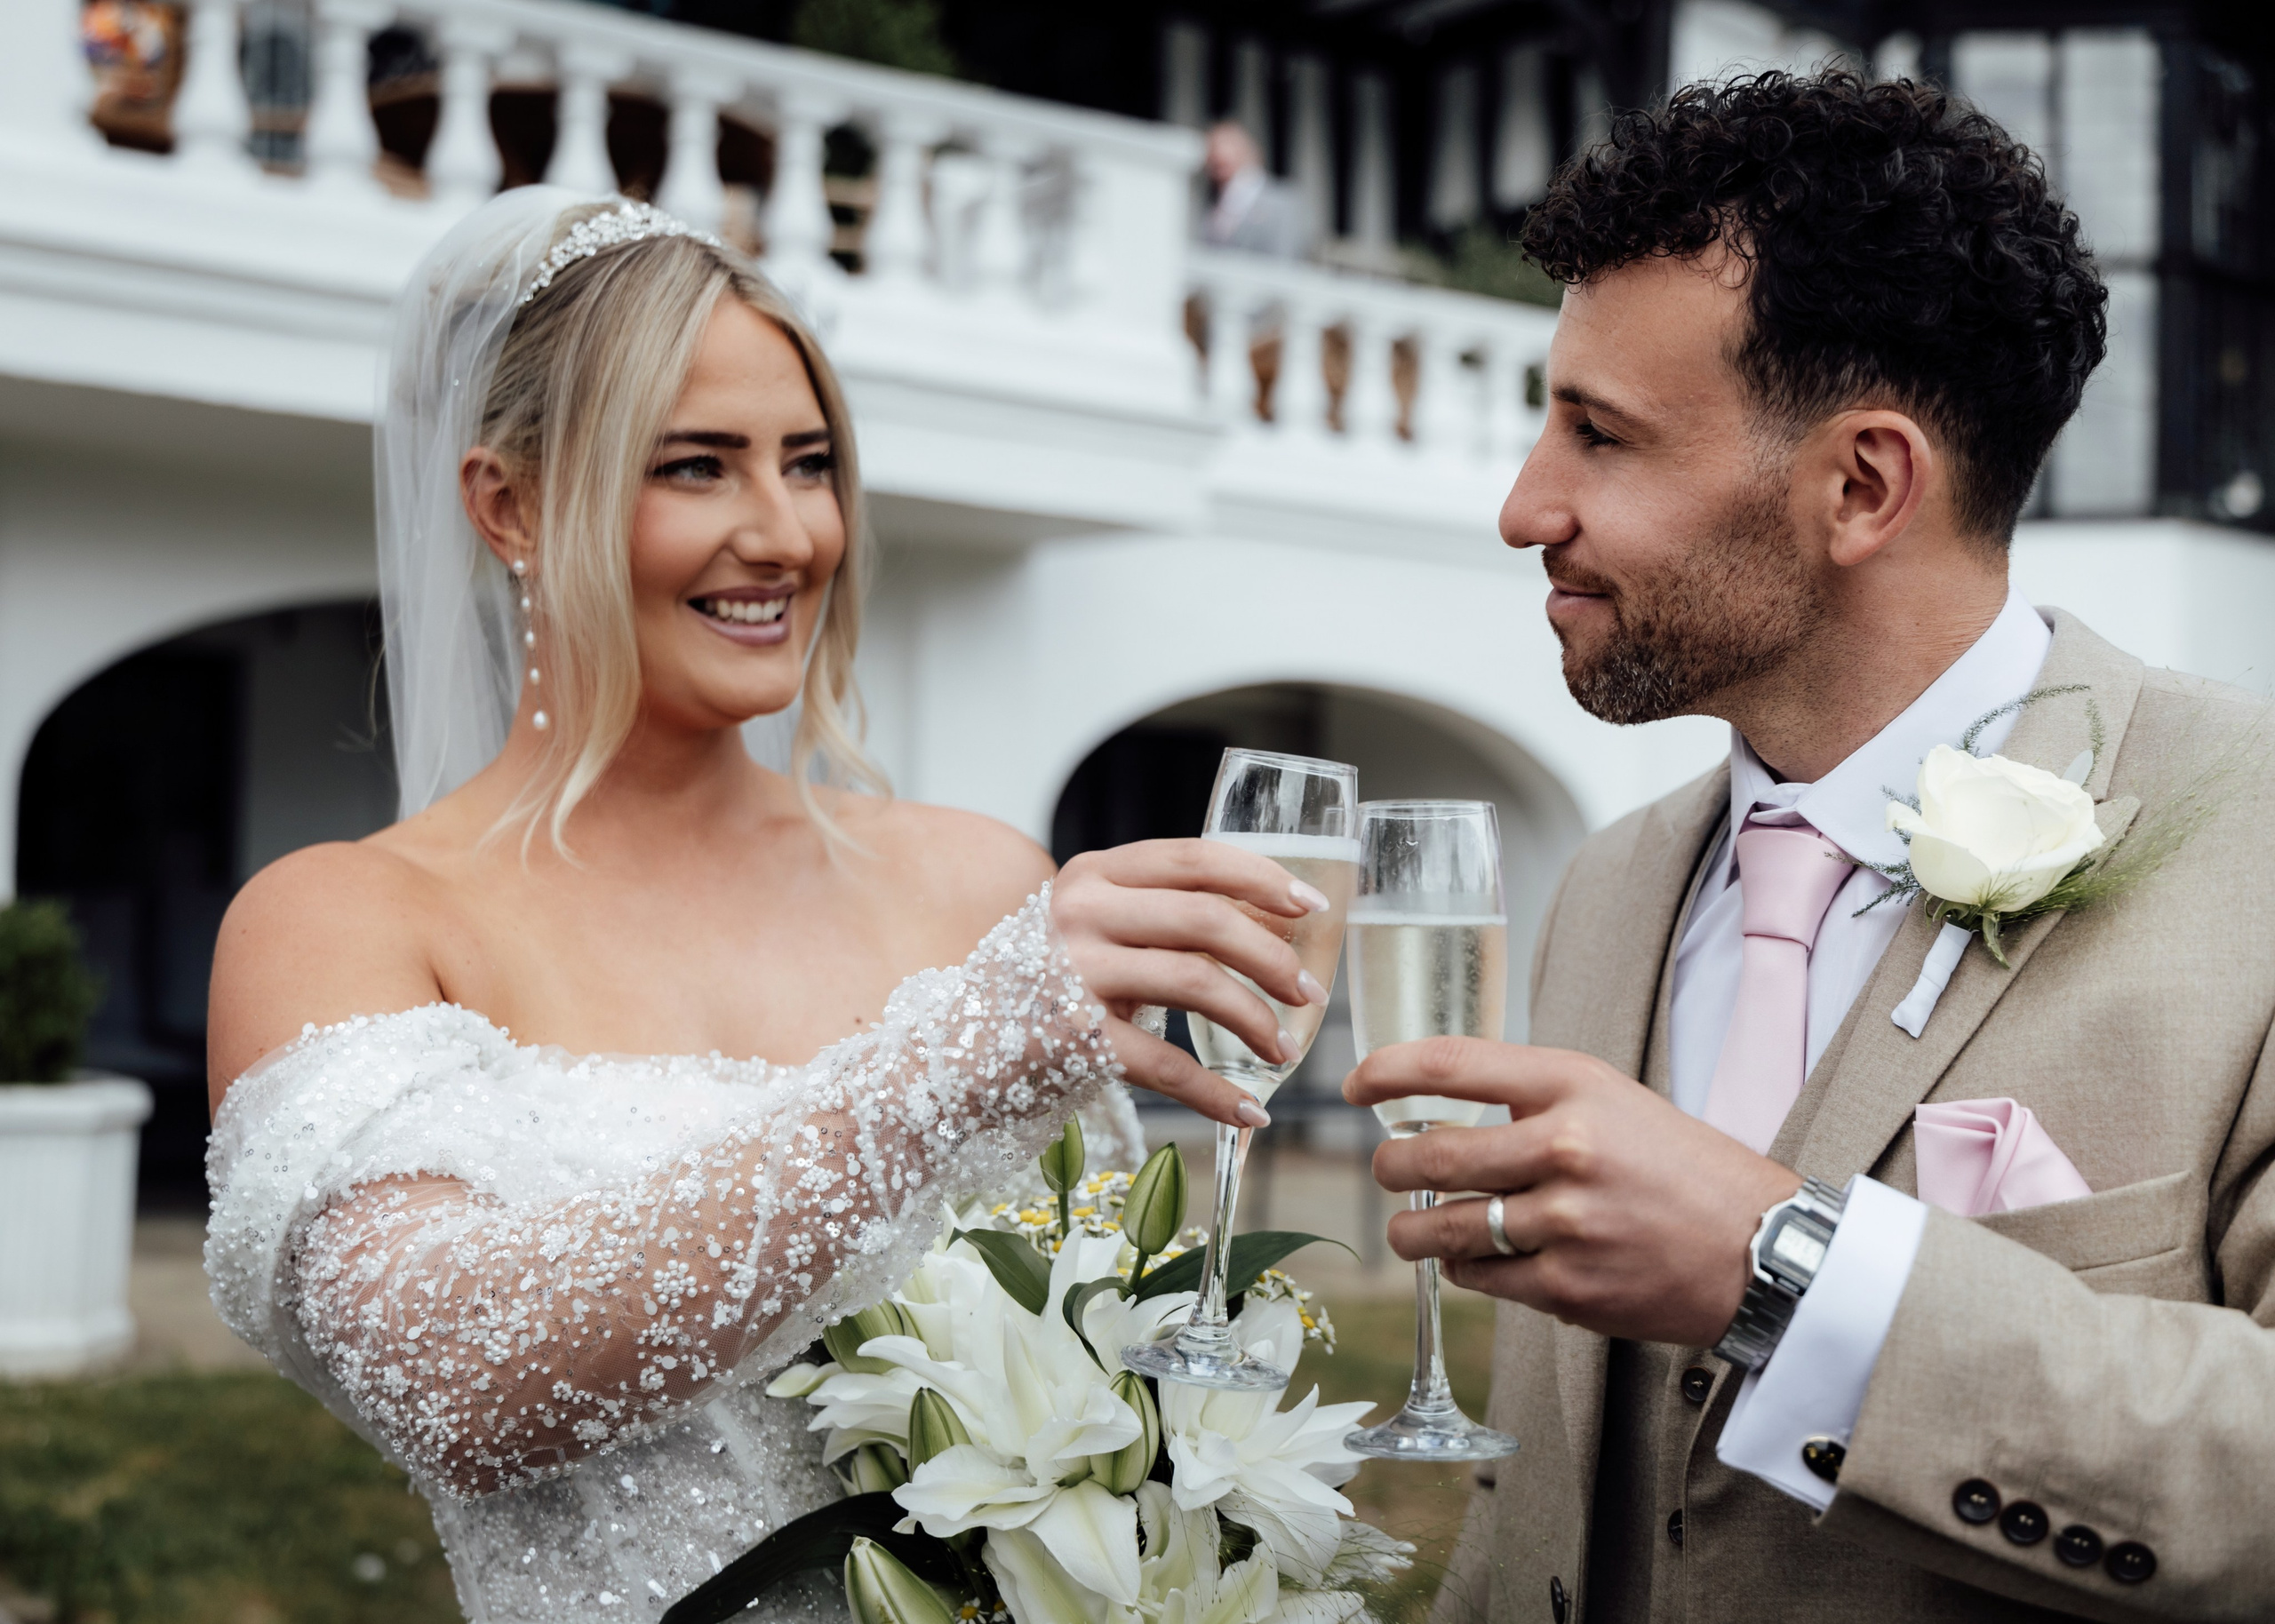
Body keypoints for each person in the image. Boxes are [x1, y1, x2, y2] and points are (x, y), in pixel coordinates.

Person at [202, 188, 1326, 1624]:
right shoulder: (352, 917)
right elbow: (458, 1375)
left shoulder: (978, 882)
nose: (786, 530)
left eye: (809, 462)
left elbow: (1129, 1357)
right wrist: (947, 1058)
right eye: (695, 467)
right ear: (507, 505)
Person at [1345, 72, 2275, 1622]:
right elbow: (1541, 1509)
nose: (1525, 506)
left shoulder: (2255, 848)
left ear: (1862, 484)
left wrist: (1786, 1273)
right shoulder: (1611, 886)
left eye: (1601, 436)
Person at [1201, 120, 1312, 260]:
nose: (1215, 160)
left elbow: (1284, 259)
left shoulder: (1282, 202)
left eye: (1222, 161)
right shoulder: (1212, 203)